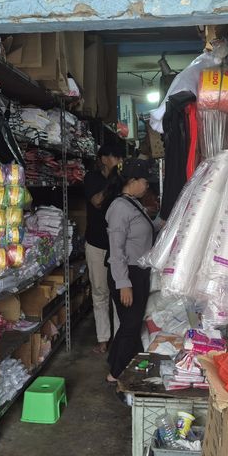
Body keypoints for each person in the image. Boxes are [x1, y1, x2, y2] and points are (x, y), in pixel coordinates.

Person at [104, 159, 160, 383]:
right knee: (131, 325)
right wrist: (123, 283)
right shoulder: (119, 208)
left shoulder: (132, 203)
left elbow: (145, 230)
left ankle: (114, 362)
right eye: (145, 181)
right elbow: (116, 250)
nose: (147, 186)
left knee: (131, 324)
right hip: (127, 274)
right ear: (133, 181)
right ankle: (116, 374)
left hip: (138, 272)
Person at [84, 143, 123, 354]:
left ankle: (118, 338)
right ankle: (103, 338)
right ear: (104, 159)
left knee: (119, 292)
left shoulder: (122, 179)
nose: (119, 161)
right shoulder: (92, 178)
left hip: (118, 245)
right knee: (100, 292)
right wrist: (112, 183)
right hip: (96, 243)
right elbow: (97, 202)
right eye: (115, 156)